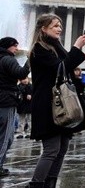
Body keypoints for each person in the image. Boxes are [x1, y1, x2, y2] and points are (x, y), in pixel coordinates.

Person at [28, 14, 85, 187]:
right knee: (51, 149)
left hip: (61, 102)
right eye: (55, 25)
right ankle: (36, 184)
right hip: (48, 103)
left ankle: (50, 183)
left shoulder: (57, 47)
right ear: (43, 28)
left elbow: (67, 71)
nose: (59, 28)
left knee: (62, 148)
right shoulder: (40, 49)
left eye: (60, 25)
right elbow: (60, 68)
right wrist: (77, 47)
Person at [0, 37, 30, 178]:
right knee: (6, 136)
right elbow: (21, 73)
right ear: (8, 47)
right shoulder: (8, 59)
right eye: (15, 46)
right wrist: (29, 61)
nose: (17, 49)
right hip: (6, 100)